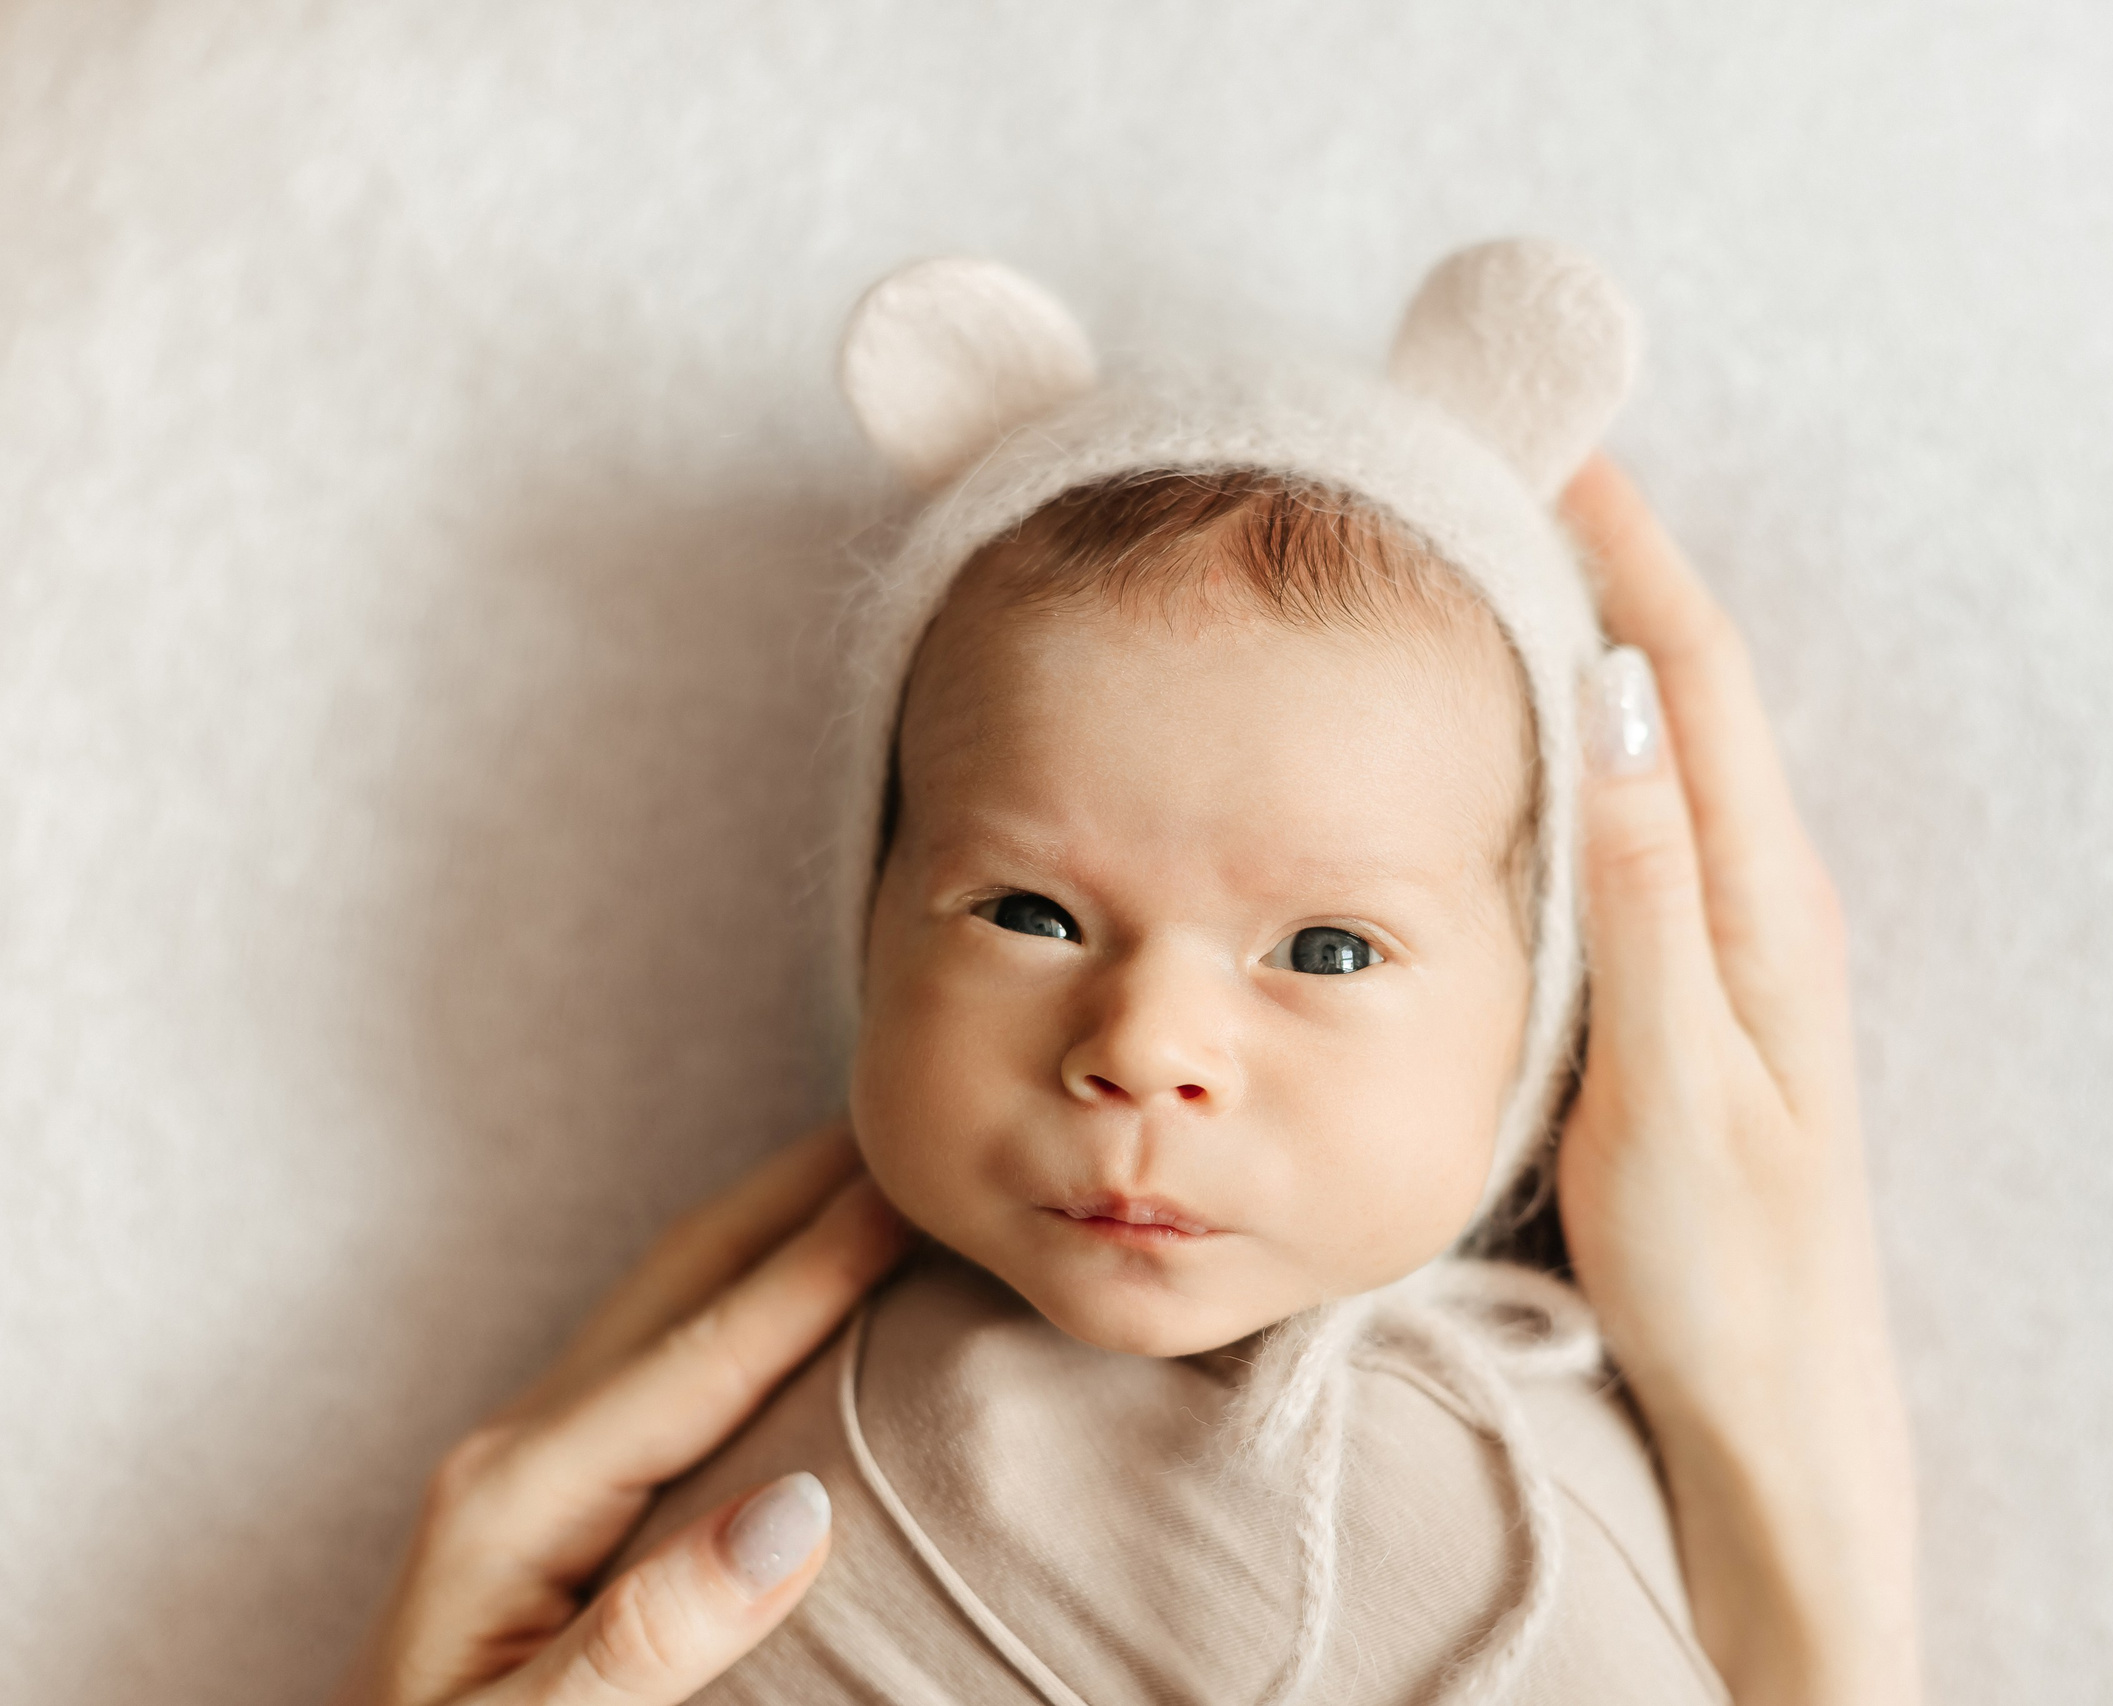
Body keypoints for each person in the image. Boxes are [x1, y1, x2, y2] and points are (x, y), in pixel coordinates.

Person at [330, 245, 1922, 1706]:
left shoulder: (1509, 1520)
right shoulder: (682, 1436)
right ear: (871, 919)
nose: (1146, 1046)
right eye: (1029, 912)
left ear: (1544, 1028)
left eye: (1327, 948)